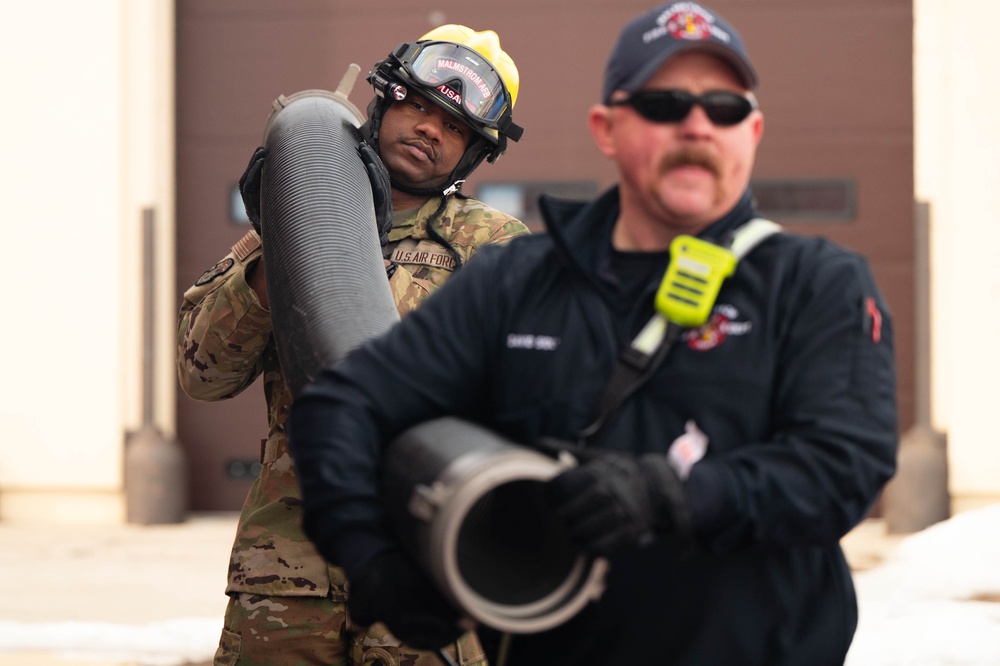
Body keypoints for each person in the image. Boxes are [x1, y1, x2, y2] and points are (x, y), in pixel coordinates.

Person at [286, 3, 899, 665]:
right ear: (606, 128)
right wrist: (373, 557)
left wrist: (671, 496)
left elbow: (843, 465)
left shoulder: (817, 284)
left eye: (722, 107)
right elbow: (341, 406)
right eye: (664, 104)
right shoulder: (516, 283)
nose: (696, 125)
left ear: (751, 131)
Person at [176, 24, 528, 666]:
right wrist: (278, 240)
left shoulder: (495, 247)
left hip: (426, 573)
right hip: (287, 577)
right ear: (385, 100)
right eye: (419, 106)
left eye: (454, 127)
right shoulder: (285, 226)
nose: (430, 129)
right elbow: (203, 376)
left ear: (474, 153)